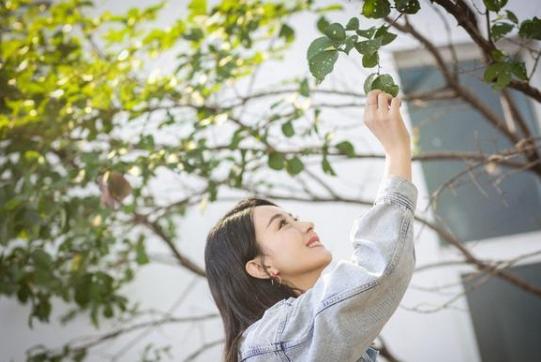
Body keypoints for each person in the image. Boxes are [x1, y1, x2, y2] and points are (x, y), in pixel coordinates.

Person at [204, 89, 418, 361]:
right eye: (282, 225)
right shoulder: (275, 339)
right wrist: (397, 150)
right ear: (260, 267)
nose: (305, 224)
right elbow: (378, 267)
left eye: (293, 217)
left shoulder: (297, 335)